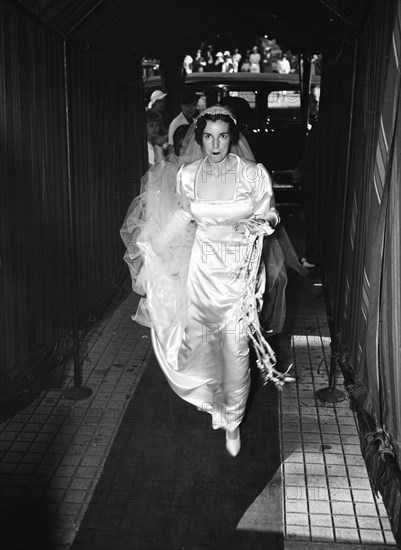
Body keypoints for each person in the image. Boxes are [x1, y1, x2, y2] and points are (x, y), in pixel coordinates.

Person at [121, 105, 292, 458]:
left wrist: (261, 224)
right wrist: (153, 245)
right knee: (204, 344)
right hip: (203, 271)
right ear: (201, 139)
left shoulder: (252, 174)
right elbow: (184, 214)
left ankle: (233, 419)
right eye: (209, 137)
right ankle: (215, 400)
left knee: (236, 347)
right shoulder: (188, 176)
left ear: (233, 137)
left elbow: (270, 212)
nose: (216, 145)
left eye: (223, 136)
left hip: (241, 274)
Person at [167, 90, 199, 154]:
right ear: (181, 106)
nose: (191, 108)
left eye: (194, 105)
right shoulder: (176, 123)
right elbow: (171, 147)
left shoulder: (196, 121)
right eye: (188, 105)